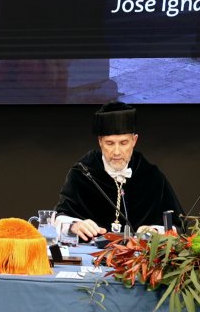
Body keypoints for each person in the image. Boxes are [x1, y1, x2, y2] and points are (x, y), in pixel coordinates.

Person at [54, 101, 183, 240]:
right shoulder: (82, 173)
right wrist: (74, 226)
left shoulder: (151, 176)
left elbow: (178, 225)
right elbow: (59, 217)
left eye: (123, 143)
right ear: (100, 141)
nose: (116, 152)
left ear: (134, 141)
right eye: (109, 143)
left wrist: (156, 231)